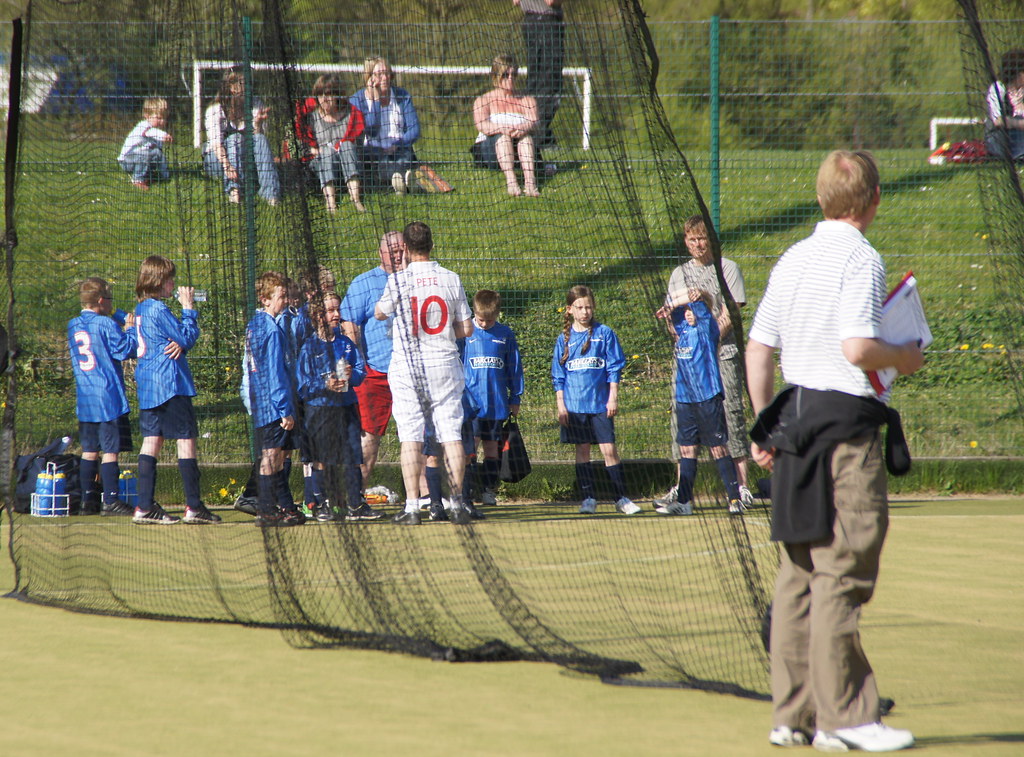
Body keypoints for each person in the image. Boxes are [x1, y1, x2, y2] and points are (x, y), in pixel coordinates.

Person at [746, 150, 922, 752]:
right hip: (845, 428)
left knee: (798, 575)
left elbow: (759, 350)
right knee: (841, 570)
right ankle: (846, 719)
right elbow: (854, 348)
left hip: (795, 424)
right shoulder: (861, 256)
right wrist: (901, 354)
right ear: (872, 201)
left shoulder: (793, 257)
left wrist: (763, 429)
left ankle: (791, 717)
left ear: (822, 200)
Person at [374, 221, 475, 525]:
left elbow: (379, 313)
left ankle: (412, 508)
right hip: (443, 362)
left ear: (404, 247)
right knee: (451, 434)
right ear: (432, 244)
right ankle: (457, 504)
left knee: (410, 435)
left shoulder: (398, 280)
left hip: (407, 366)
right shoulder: (451, 278)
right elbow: (467, 327)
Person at [660, 214, 753, 507]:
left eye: (702, 238)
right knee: (682, 420)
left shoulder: (728, 269)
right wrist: (683, 334)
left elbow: (731, 313)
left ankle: (741, 487)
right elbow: (673, 320)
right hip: (689, 362)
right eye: (692, 239)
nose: (698, 244)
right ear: (686, 242)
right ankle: (682, 488)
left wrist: (706, 337)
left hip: (721, 354)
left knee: (731, 414)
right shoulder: (678, 273)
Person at [133, 255, 220, 525]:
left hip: (148, 385)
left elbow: (173, 340)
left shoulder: (141, 309)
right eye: (170, 279)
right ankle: (194, 506)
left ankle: (144, 506)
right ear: (159, 281)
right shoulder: (158, 309)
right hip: (170, 384)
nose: (173, 284)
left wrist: (177, 341)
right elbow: (186, 338)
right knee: (186, 440)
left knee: (152, 441)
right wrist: (188, 309)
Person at [551, 285, 639, 516]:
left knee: (609, 449)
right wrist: (561, 406)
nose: (584, 312)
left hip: (600, 405)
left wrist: (613, 398)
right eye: (579, 307)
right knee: (582, 450)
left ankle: (621, 498)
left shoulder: (605, 333)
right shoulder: (564, 339)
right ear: (570, 309)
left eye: (588, 307)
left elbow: (614, 368)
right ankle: (588, 498)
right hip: (575, 406)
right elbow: (558, 377)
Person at [653, 289, 742, 516]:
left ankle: (734, 499)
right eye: (686, 311)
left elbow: (701, 298)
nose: (689, 314)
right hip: (685, 399)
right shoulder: (682, 331)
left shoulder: (707, 328)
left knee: (717, 449)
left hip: (707, 397)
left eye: (692, 310)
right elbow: (671, 306)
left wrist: (695, 297)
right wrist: (672, 305)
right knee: (687, 449)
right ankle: (684, 503)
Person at [297, 290, 381, 522]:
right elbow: (302, 383)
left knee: (353, 454)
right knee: (323, 457)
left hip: (347, 407)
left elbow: (361, 372)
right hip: (321, 409)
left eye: (337, 309)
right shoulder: (309, 347)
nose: (336, 314)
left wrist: (352, 376)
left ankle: (356, 503)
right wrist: (325, 383)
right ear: (317, 315)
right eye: (330, 310)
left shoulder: (346, 343)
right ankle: (321, 503)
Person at [341, 231, 405, 496]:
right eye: (393, 250)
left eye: (402, 249)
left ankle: (425, 497)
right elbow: (348, 324)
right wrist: (359, 363)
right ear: (381, 252)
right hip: (375, 373)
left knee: (420, 437)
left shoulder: (416, 279)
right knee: (369, 437)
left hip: (411, 374)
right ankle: (355, 497)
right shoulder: (364, 283)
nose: (399, 254)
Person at [67, 277, 138, 516]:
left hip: (85, 398)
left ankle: (88, 501)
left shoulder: (73, 324)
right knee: (110, 451)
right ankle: (111, 500)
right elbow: (126, 350)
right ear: (100, 300)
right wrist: (129, 329)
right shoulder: (105, 324)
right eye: (109, 300)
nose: (111, 304)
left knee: (89, 450)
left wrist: (116, 316)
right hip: (107, 397)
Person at [245, 270, 306, 527]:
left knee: (277, 454)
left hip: (261, 400)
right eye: (280, 296)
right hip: (272, 404)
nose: (284, 301)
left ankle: (284, 505)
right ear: (265, 299)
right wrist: (284, 409)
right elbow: (274, 372)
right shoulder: (270, 330)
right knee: (271, 454)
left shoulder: (254, 325)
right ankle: (267, 509)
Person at [463, 289, 524, 508]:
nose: (485, 323)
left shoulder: (505, 334)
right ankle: (466, 491)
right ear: (474, 312)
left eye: (490, 320)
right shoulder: (465, 332)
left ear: (498, 314)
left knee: (491, 448)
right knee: (469, 448)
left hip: (497, 404)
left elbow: (514, 368)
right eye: (481, 319)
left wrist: (515, 397)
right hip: (471, 405)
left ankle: (488, 489)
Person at [202, 69, 280, 205]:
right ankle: (234, 190)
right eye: (245, 84)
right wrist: (227, 166)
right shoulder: (215, 110)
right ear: (232, 87)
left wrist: (257, 124)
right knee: (234, 138)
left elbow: (258, 143)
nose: (250, 87)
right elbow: (216, 145)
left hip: (245, 162)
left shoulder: (256, 104)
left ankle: (271, 195)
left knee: (260, 139)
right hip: (218, 161)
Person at [349, 56, 421, 194]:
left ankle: (400, 182)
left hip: (399, 147)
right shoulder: (356, 100)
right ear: (369, 77)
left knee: (403, 156)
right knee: (379, 162)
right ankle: (403, 182)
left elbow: (414, 129)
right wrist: (376, 100)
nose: (385, 78)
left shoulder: (402, 95)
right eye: (379, 74)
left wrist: (398, 143)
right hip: (372, 151)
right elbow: (371, 131)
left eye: (387, 73)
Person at [472, 55, 540, 197]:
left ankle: (530, 182)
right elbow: (481, 125)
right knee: (502, 137)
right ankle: (511, 181)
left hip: (519, 149)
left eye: (513, 74)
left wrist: (525, 127)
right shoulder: (484, 100)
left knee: (526, 137)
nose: (510, 78)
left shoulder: (527, 100)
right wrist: (502, 128)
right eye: (505, 75)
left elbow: (535, 122)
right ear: (496, 75)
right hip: (491, 150)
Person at [302, 73, 365, 213]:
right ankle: (331, 202)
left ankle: (356, 199)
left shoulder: (351, 115)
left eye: (328, 94)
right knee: (327, 152)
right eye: (320, 94)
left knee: (347, 145)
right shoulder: (311, 118)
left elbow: (358, 145)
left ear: (337, 94)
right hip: (320, 162)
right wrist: (315, 151)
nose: (324, 98)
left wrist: (341, 148)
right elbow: (303, 145)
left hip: (346, 160)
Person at [512, 0, 564, 154]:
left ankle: (535, 132)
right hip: (546, 24)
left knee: (535, 81)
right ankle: (539, 136)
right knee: (549, 83)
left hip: (530, 22)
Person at [117, 97, 172, 190]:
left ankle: (157, 176)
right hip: (127, 160)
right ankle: (137, 180)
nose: (162, 121)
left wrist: (166, 175)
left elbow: (159, 154)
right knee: (144, 154)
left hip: (141, 159)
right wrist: (164, 135)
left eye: (164, 118)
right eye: (158, 118)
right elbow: (151, 132)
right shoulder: (143, 126)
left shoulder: (158, 133)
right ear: (147, 115)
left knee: (157, 153)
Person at [985, 49, 1024, 162]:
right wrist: (1018, 123)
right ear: (1018, 73)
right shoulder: (998, 89)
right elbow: (998, 121)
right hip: (1000, 138)